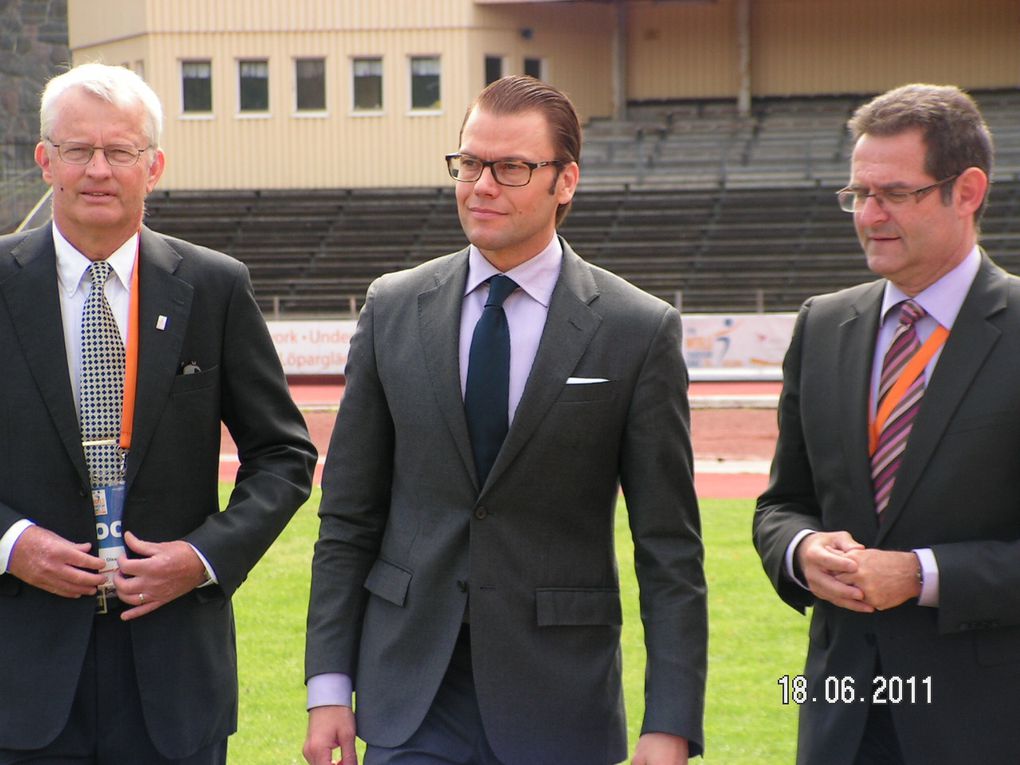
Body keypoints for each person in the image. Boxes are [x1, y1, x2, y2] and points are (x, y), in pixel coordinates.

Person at [303, 75, 706, 765]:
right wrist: (329, 686)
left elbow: (668, 548)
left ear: (565, 180)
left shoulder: (636, 329)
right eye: (468, 164)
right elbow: (347, 517)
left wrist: (668, 723)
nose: (481, 185)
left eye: (510, 167)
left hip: (560, 702)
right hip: (411, 696)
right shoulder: (392, 307)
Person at [0, 63, 316, 764]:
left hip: (174, 677)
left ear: (155, 165)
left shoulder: (213, 287)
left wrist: (202, 556)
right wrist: (11, 542)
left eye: (121, 151)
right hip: (21, 673)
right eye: (78, 149)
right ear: (45, 158)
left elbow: (284, 456)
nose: (99, 170)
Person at [753, 83, 1020, 765]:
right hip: (841, 724)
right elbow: (784, 503)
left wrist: (921, 573)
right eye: (857, 195)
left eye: (893, 194)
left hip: (984, 727)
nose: (868, 215)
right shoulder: (822, 324)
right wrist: (800, 551)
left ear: (967, 191)